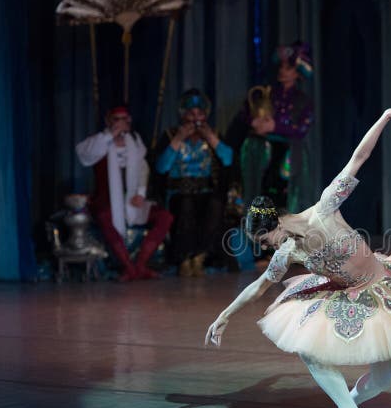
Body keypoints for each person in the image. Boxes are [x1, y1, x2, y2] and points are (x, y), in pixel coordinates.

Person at [205, 108, 391, 408]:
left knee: (381, 381)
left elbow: (359, 157)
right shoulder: (288, 251)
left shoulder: (323, 211)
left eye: (265, 240)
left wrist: (384, 116)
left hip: (382, 287)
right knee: (308, 349)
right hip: (343, 293)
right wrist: (225, 314)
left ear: (276, 224)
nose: (267, 248)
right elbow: (259, 286)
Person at [76, 105, 174, 281]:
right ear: (109, 121)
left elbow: (143, 168)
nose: (122, 123)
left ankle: (140, 264)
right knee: (105, 217)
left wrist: (141, 193)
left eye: (125, 119)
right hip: (107, 200)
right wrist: (109, 135)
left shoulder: (134, 141)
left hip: (131, 201)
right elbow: (84, 155)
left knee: (165, 217)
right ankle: (128, 267)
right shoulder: (101, 142)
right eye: (117, 119)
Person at [156, 89, 234, 276]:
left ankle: (200, 257)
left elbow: (228, 159)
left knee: (215, 205)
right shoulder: (170, 135)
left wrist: (212, 139)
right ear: (183, 115)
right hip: (179, 192)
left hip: (205, 191)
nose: (195, 118)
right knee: (186, 204)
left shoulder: (212, 135)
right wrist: (178, 139)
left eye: (200, 114)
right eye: (191, 114)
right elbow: (161, 167)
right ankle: (184, 258)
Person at [242, 41, 314, 210]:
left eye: (288, 69)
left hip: (287, 151)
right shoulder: (267, 93)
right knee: (260, 192)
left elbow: (302, 129)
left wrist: (276, 126)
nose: (283, 71)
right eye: (281, 67)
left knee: (284, 195)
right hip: (263, 149)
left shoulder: (302, 100)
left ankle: (284, 231)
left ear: (297, 73)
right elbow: (246, 113)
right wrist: (254, 122)